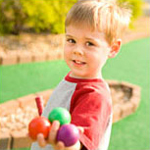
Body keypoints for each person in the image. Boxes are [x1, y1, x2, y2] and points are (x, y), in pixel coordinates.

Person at [31, 0, 131, 149]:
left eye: (90, 43)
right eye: (71, 40)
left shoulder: (94, 95)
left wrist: (65, 143)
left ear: (113, 48)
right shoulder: (75, 78)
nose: (77, 50)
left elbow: (80, 144)